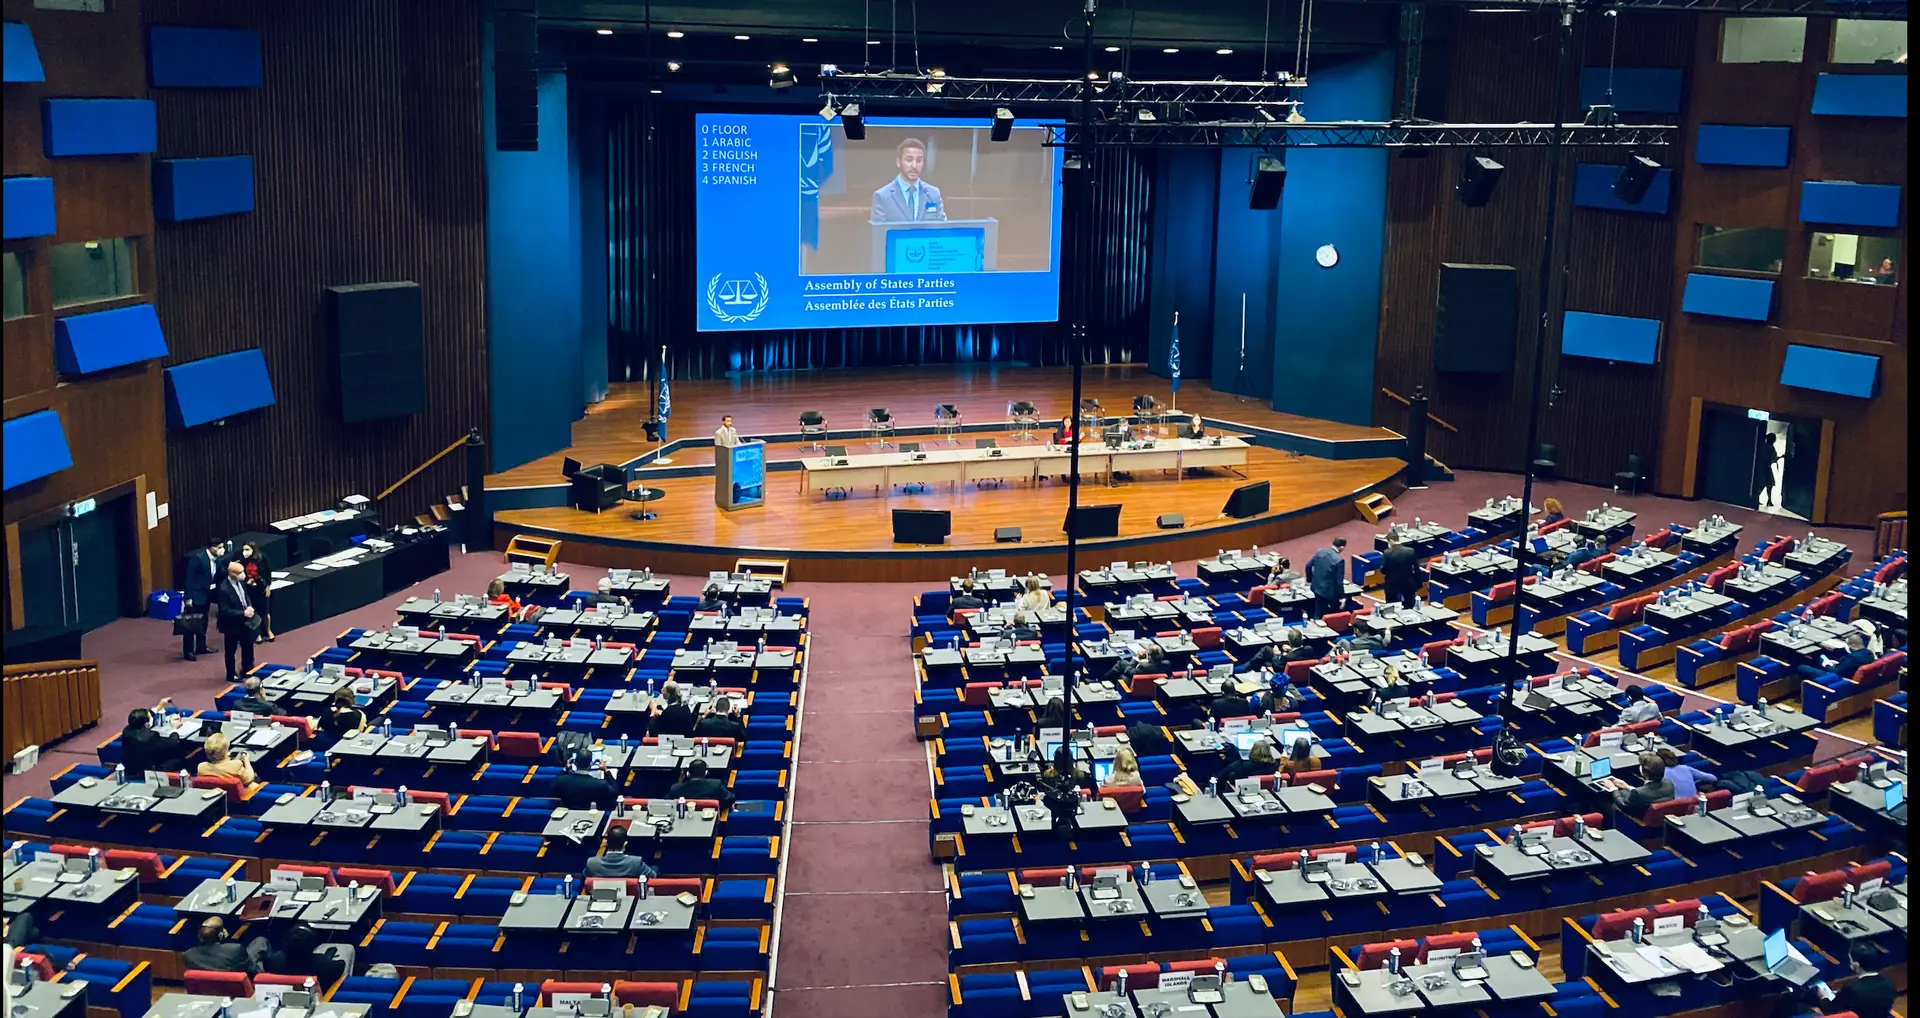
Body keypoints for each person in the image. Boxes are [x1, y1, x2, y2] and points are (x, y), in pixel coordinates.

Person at [869, 137, 946, 223]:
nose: (914, 165)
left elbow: (942, 230)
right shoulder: (883, 196)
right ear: (898, 162)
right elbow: (878, 234)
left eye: (919, 160)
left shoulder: (933, 194)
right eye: (909, 160)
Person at [261, 922, 346, 990]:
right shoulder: (322, 963)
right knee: (348, 949)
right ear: (312, 946)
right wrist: (328, 958)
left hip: (283, 996)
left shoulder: (272, 961)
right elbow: (341, 965)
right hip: (318, 996)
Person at [181, 538, 228, 661]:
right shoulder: (198, 558)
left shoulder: (217, 560)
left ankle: (201, 646)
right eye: (219, 547)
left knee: (203, 622)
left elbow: (220, 574)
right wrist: (188, 598)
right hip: (196, 596)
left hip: (207, 595)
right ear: (212, 548)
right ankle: (188, 651)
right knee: (191, 623)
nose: (222, 550)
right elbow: (189, 579)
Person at [213, 560, 260, 683]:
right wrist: (243, 613)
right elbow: (224, 611)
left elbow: (245, 596)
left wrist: (249, 606)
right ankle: (231, 674)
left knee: (248, 647)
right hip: (231, 625)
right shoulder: (224, 589)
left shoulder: (241, 583)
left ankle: (248, 670)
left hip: (244, 622)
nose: (243, 574)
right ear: (233, 574)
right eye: (240, 573)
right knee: (230, 651)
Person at [181, 917, 269, 975]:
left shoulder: (188, 955)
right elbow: (249, 968)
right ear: (220, 935)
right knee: (260, 942)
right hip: (237, 980)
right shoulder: (235, 950)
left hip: (210, 987)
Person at [121, 706, 190, 777]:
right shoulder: (150, 736)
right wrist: (175, 730)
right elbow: (171, 743)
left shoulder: (126, 731)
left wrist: (159, 706)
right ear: (146, 723)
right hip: (149, 771)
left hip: (130, 768)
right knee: (181, 759)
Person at [1606, 753, 1675, 818]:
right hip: (1658, 818)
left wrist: (1613, 789)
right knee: (1623, 791)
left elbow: (1623, 805)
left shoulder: (1638, 793)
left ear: (1644, 772)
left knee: (1602, 801)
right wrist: (1627, 787)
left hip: (1635, 820)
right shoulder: (1669, 783)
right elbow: (1646, 794)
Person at [552, 749, 621, 810]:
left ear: (574, 763)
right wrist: (606, 771)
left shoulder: (561, 781)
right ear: (591, 764)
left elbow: (552, 788)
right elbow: (615, 792)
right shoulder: (600, 784)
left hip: (569, 812)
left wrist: (565, 769)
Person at [1795, 630, 1875, 682]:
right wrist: (1836, 663)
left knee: (1802, 667)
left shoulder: (1853, 658)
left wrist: (1824, 664)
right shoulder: (1869, 653)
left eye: (1848, 645)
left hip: (1837, 678)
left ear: (1853, 645)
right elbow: (1846, 667)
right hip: (1845, 672)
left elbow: (1837, 672)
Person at [585, 826, 658, 879]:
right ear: (625, 844)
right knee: (656, 868)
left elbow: (584, 881)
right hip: (631, 896)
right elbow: (652, 876)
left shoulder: (591, 863)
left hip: (601, 896)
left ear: (606, 843)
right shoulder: (636, 862)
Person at [236, 542, 273, 642]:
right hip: (249, 589)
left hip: (261, 587)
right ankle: (257, 633)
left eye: (247, 549)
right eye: (244, 549)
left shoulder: (262, 558)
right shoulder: (242, 560)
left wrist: (268, 586)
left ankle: (268, 631)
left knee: (265, 611)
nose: (245, 552)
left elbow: (268, 572)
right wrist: (248, 581)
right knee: (254, 611)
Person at [1306, 537, 1348, 618]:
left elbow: (1308, 566)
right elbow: (1339, 582)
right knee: (1336, 611)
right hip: (1328, 592)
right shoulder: (1339, 560)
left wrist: (1310, 580)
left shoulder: (1320, 552)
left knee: (1319, 610)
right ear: (1342, 547)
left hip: (1316, 587)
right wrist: (1342, 597)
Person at [668, 758, 735, 808]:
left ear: (688, 774)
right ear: (706, 773)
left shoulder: (676, 788)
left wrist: (679, 783)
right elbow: (731, 799)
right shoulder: (716, 784)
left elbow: (667, 803)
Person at [1381, 537, 1420, 608]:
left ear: (1391, 541)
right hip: (1408, 583)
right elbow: (1417, 569)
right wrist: (1418, 584)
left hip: (1392, 584)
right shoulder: (1411, 551)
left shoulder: (1386, 553)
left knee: (1391, 607)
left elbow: (1383, 570)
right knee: (1410, 606)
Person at [1757, 434, 1783, 508]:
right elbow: (1773, 459)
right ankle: (1768, 500)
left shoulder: (1764, 446)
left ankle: (1760, 499)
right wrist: (1781, 457)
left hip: (1762, 467)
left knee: (1763, 484)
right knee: (1769, 484)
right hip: (1766, 468)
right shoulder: (1771, 448)